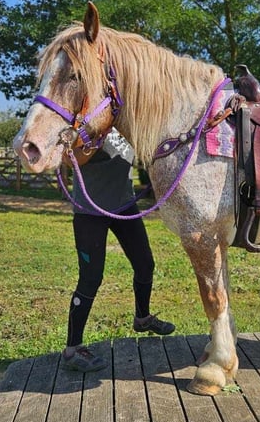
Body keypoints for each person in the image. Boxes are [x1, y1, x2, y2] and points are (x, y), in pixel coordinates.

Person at [62, 130, 175, 372]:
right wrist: (92, 141)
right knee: (91, 278)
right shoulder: (87, 127)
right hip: (90, 213)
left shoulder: (126, 127)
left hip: (124, 206)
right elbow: (68, 158)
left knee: (145, 264)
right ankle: (73, 349)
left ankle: (142, 318)